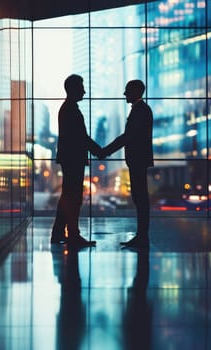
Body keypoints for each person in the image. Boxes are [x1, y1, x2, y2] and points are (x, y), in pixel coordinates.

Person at [100, 79, 153, 249]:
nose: (124, 94)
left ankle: (142, 237)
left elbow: (127, 137)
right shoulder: (141, 110)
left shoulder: (140, 111)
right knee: (139, 198)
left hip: (138, 160)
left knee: (140, 199)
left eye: (127, 91)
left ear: (136, 92)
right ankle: (141, 236)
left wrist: (105, 150)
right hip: (138, 160)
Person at [50, 74, 101, 247]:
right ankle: (72, 235)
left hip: (70, 158)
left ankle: (59, 233)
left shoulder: (68, 108)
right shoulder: (70, 110)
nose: (84, 91)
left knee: (68, 196)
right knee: (73, 197)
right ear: (72, 89)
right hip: (73, 159)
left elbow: (80, 137)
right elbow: (81, 138)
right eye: (81, 88)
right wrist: (99, 151)